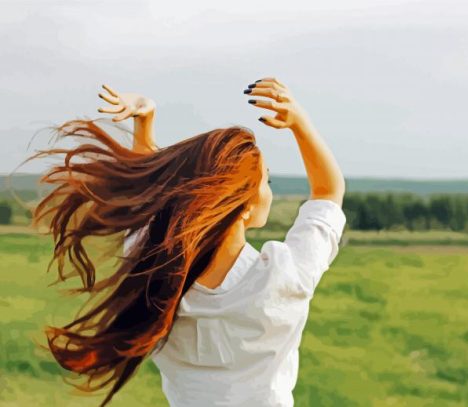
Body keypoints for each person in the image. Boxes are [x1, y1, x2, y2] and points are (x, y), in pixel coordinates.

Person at [28, 77, 346, 406]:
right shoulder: (283, 276)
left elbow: (150, 206)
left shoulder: (155, 276)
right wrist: (300, 122)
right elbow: (327, 192)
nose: (269, 186)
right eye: (265, 179)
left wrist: (145, 125)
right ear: (244, 206)